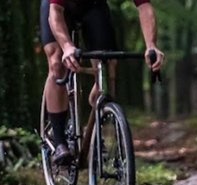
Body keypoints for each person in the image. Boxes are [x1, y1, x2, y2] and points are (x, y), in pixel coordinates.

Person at [40, 0, 164, 164]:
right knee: (57, 63)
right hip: (57, 8)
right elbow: (54, 12)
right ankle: (59, 140)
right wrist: (67, 46)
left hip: (94, 6)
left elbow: (144, 6)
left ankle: (95, 128)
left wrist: (151, 45)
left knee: (107, 68)